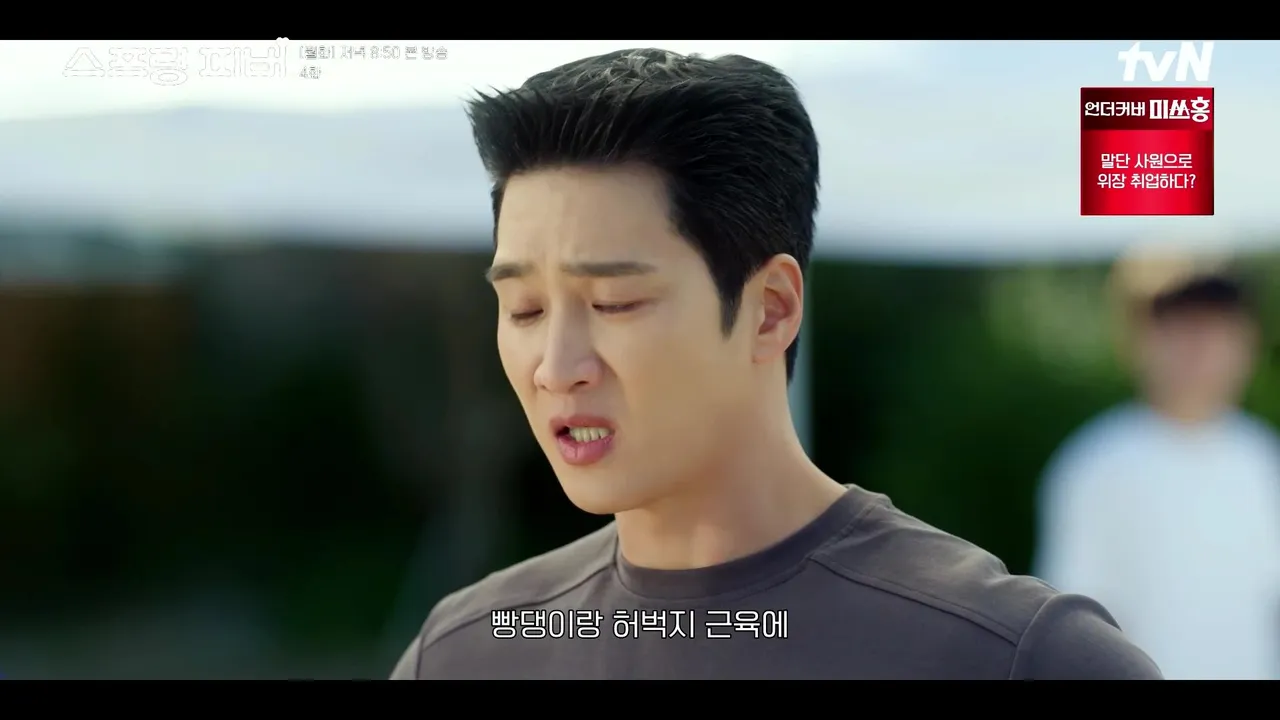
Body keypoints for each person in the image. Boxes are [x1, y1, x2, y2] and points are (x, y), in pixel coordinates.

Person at [391, 48, 1161, 680]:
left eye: (614, 302)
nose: (557, 367)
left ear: (771, 309)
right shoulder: (464, 655)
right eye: (525, 309)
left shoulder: (1016, 657)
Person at [1036, 249, 1280, 680]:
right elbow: (1076, 628)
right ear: (1136, 339)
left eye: (1216, 328)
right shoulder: (1095, 467)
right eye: (1180, 328)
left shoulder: (1264, 459)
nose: (1200, 348)